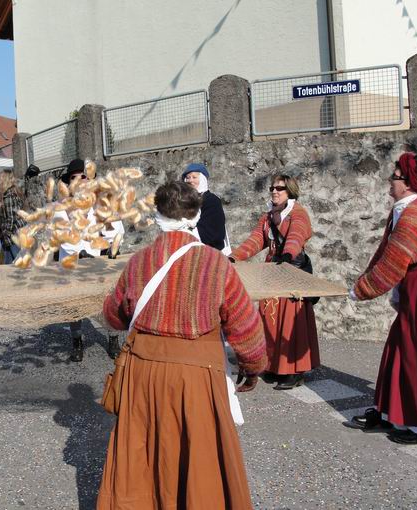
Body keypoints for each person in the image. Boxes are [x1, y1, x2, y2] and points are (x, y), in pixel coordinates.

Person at [97, 181, 267, 509]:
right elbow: (246, 329)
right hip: (197, 378)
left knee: (144, 459)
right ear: (196, 214)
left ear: (158, 215)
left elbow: (114, 316)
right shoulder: (217, 265)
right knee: (199, 463)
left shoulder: (139, 262)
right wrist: (254, 367)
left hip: (142, 377)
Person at [347, 152, 417, 445]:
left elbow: (393, 264)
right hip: (414, 282)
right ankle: (389, 412)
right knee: (399, 347)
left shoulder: (414, 214)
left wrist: (361, 290)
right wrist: (363, 279)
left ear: (407, 183)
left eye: (394, 176)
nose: (389, 180)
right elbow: (384, 252)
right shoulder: (403, 208)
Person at [229, 174, 319, 390]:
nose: (274, 191)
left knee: (289, 323)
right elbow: (256, 240)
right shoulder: (269, 216)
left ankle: (293, 371)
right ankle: (272, 365)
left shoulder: (298, 214)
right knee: (269, 321)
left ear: (290, 192)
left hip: (291, 272)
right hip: (272, 273)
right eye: (272, 188)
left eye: (280, 188)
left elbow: (297, 236)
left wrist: (287, 254)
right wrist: (234, 257)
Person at [57, 159, 125, 361]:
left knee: (108, 302)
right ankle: (77, 341)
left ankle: (113, 339)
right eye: (73, 177)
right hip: (73, 261)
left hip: (98, 261)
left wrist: (112, 243)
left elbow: (115, 227)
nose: (79, 181)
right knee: (75, 305)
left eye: (83, 177)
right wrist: (79, 252)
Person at [182, 162, 227, 250]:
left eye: (194, 177)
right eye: (188, 178)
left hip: (209, 251)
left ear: (202, 179)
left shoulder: (211, 201)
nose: (190, 181)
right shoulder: (183, 201)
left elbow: (211, 234)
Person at [0, 169, 25, 264]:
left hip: (13, 232)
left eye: (0, 178)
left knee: (16, 261)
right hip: (18, 230)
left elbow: (11, 218)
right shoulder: (14, 193)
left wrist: (6, 233)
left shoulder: (8, 196)